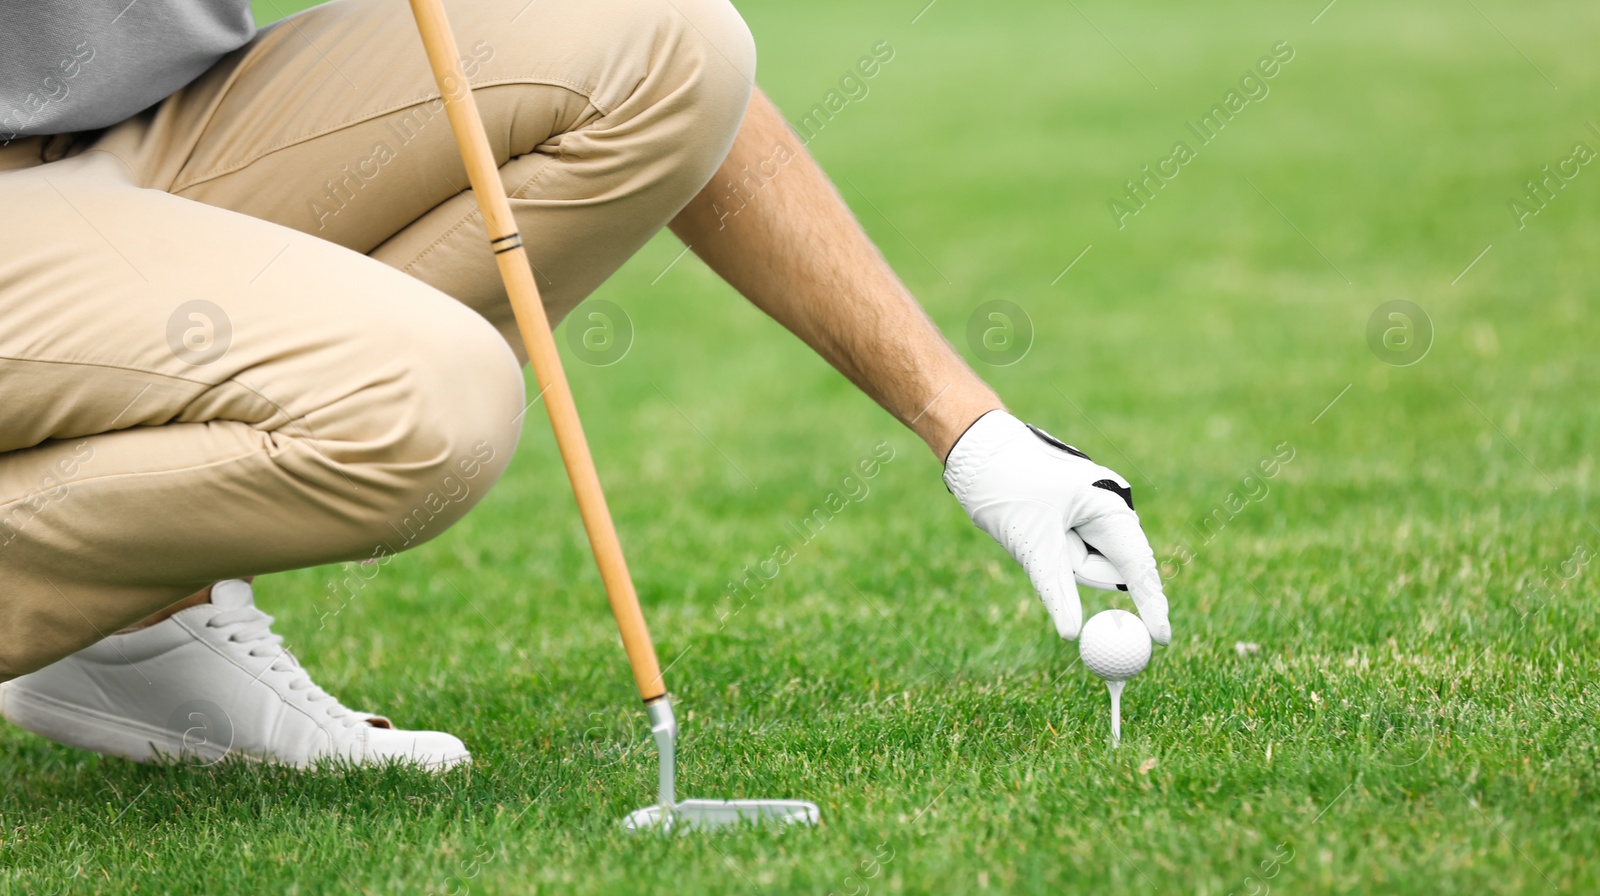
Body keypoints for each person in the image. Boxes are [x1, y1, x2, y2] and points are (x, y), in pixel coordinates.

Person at [0, 0, 1169, 771]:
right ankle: (125, 594)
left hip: (143, 135)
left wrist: (973, 431)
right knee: (426, 402)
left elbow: (680, 98)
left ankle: (139, 622)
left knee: (665, 41)